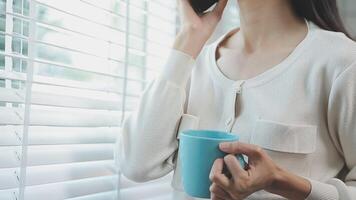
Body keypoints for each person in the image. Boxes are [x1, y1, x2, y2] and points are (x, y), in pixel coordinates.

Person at [117, 0, 356, 199]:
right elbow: (135, 164)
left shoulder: (341, 62)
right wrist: (188, 37)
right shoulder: (193, 61)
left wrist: (282, 181)